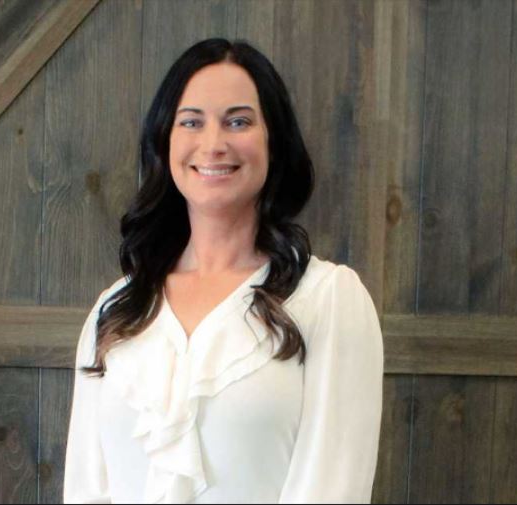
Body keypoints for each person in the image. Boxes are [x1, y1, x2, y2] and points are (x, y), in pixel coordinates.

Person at [64, 38, 383, 504]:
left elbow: (331, 489)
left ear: (274, 141)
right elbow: (85, 489)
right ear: (165, 141)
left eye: (238, 121)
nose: (213, 144)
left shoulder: (327, 302)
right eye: (191, 122)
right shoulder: (115, 311)